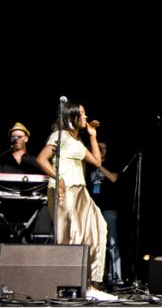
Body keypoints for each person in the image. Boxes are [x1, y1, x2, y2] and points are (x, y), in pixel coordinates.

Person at [36, 100, 117, 301]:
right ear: (72, 116)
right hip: (66, 190)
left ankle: (90, 284)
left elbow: (97, 162)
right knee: (74, 234)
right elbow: (41, 159)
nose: (86, 117)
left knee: (99, 227)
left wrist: (92, 136)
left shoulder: (77, 142)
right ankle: (69, 283)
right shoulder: (59, 136)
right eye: (82, 114)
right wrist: (59, 178)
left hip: (81, 192)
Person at [87, 141, 124, 290]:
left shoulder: (110, 164)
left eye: (104, 148)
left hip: (108, 208)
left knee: (112, 244)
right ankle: (95, 279)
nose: (102, 150)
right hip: (92, 208)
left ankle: (116, 279)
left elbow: (114, 178)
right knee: (92, 244)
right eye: (99, 147)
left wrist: (99, 164)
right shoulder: (87, 165)